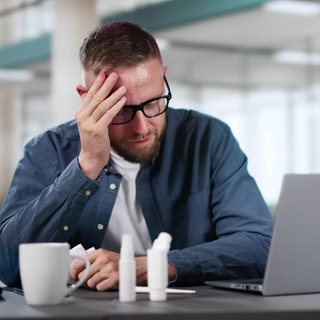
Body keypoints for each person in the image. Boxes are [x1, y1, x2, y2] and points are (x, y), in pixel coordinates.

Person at [0, 22, 273, 290]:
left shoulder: (209, 138)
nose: (142, 127)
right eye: (121, 110)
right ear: (87, 98)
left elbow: (260, 244)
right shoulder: (47, 150)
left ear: (163, 78)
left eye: (153, 102)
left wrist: (148, 266)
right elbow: (8, 263)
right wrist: (86, 167)